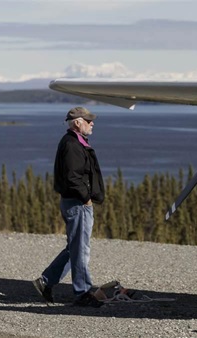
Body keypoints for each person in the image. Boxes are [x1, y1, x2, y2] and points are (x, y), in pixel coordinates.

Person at [33, 107, 137, 307]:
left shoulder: (74, 142)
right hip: (77, 203)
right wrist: (86, 198)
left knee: (75, 248)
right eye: (89, 120)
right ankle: (82, 293)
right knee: (80, 249)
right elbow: (73, 177)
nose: (92, 123)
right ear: (77, 122)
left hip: (75, 202)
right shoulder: (72, 144)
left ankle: (45, 281)